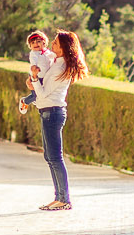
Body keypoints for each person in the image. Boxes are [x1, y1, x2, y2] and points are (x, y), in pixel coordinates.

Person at [28, 29, 87, 210]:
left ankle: (64, 199)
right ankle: (59, 197)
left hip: (52, 113)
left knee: (55, 158)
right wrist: (34, 82)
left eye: (55, 43)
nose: (51, 45)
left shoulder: (59, 68)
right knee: (50, 157)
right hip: (49, 111)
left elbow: (44, 92)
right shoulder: (57, 63)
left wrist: (34, 79)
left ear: (62, 47)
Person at [18, 30, 55, 115]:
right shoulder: (34, 53)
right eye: (33, 43)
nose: (36, 44)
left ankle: (35, 99)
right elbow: (33, 62)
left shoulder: (48, 52)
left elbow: (53, 59)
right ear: (30, 46)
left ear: (44, 43)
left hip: (44, 77)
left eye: (38, 41)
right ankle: (25, 101)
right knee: (36, 95)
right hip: (35, 76)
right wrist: (34, 67)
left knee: (42, 93)